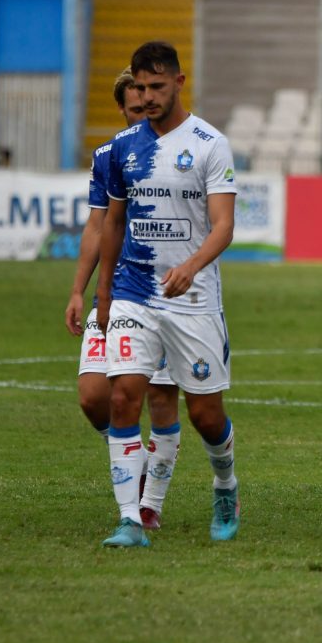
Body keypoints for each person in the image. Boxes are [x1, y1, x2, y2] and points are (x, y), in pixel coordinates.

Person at [95, 41, 240, 547]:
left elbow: (224, 226)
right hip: (135, 291)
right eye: (140, 86)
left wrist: (192, 266)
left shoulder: (208, 143)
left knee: (204, 414)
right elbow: (113, 222)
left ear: (180, 82)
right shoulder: (123, 147)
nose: (148, 95)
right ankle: (131, 520)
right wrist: (104, 290)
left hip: (194, 297)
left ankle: (225, 484)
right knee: (123, 396)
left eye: (158, 86)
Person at [65, 67, 182, 532]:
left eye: (149, 106)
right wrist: (80, 289)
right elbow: (98, 226)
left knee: (160, 397)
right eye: (134, 110)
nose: (143, 118)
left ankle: (147, 504)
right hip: (115, 293)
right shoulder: (110, 156)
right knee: (95, 396)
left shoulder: (181, 152)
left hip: (168, 296)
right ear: (123, 110)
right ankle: (130, 470)